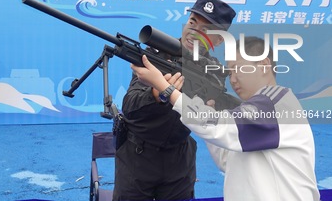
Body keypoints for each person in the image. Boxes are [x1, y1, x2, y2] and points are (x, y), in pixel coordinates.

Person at [131, 36, 320, 201]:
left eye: (238, 68)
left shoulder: (274, 103)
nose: (233, 79)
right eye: (230, 72)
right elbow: (229, 160)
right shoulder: (263, 106)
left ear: (263, 65)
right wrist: (206, 111)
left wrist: (166, 89)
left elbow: (218, 127)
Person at [112, 0, 240, 201]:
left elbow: (214, 110)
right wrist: (157, 93)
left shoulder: (214, 71)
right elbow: (130, 105)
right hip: (138, 156)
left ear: (218, 40)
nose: (194, 31)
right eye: (192, 22)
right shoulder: (156, 55)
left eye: (206, 29)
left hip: (179, 159)